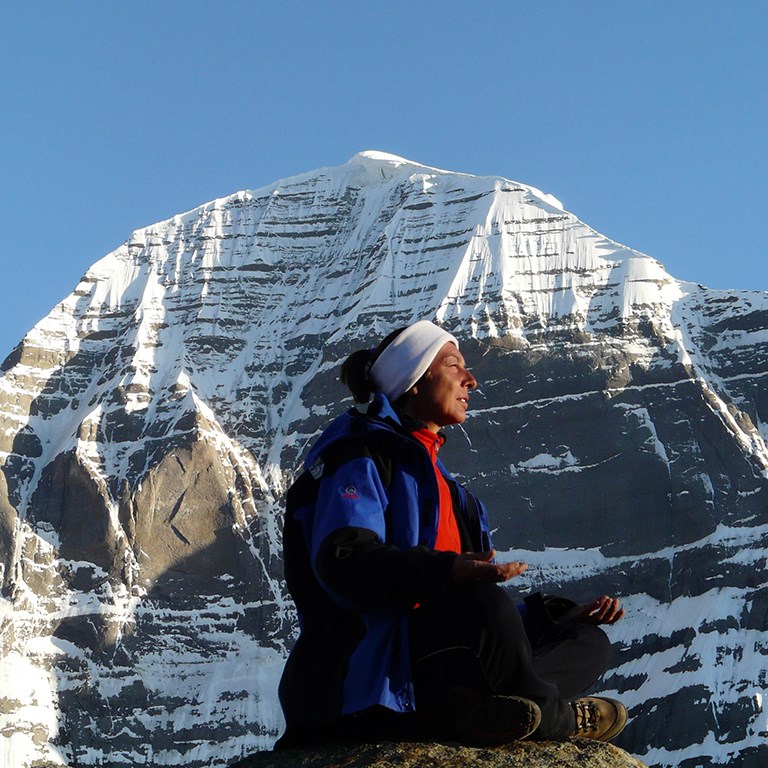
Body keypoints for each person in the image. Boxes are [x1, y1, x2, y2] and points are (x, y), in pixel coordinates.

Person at [276, 320, 627, 748]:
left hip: (443, 656)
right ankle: (558, 720)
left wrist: (550, 617)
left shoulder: (454, 494)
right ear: (416, 381)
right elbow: (344, 560)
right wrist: (447, 571)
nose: (471, 380)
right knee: (483, 601)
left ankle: (469, 710)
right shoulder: (360, 456)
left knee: (587, 641)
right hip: (375, 672)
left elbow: (471, 616)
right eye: (454, 365)